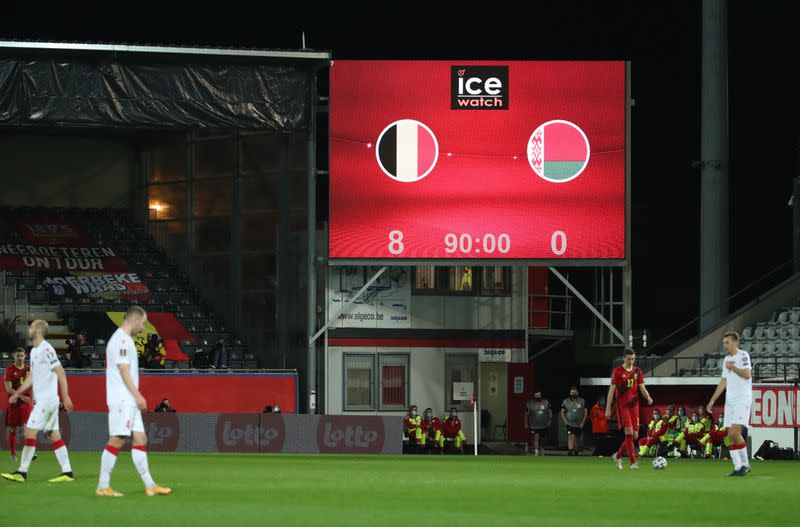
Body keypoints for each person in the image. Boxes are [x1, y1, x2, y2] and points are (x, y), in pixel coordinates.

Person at [96, 306, 171, 497]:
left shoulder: (125, 339)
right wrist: (137, 395)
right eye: (143, 323)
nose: (144, 328)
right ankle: (102, 486)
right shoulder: (121, 339)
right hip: (122, 398)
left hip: (128, 399)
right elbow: (123, 369)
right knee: (118, 439)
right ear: (135, 320)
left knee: (140, 439)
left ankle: (150, 485)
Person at [1, 321, 75, 483]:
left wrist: (66, 396)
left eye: (31, 327)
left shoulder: (46, 349)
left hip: (46, 402)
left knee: (29, 432)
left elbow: (61, 372)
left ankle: (22, 472)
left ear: (39, 330)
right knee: (52, 434)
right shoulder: (34, 351)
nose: (29, 329)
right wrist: (17, 393)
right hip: (46, 401)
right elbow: (32, 377)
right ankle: (67, 472)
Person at [707, 331, 752, 476]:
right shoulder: (726, 359)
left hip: (742, 399)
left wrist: (733, 367)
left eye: (727, 342)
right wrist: (712, 400)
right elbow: (723, 381)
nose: (725, 345)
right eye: (724, 343)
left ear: (735, 342)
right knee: (729, 435)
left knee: (735, 432)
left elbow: (747, 374)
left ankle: (745, 464)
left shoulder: (743, 356)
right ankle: (737, 467)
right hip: (730, 400)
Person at [606, 348, 653, 470]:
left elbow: (642, 387)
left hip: (635, 406)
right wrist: (608, 409)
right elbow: (611, 392)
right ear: (623, 358)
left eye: (633, 359)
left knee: (634, 436)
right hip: (623, 407)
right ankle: (633, 462)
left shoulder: (638, 371)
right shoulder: (617, 371)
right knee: (629, 433)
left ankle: (618, 455)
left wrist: (648, 397)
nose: (631, 361)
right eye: (629, 359)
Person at [4, 347, 32, 461]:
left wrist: (33, 399)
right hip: (15, 401)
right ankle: (13, 453)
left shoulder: (29, 369)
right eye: (18, 356)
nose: (20, 358)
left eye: (22, 356)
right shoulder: (9, 369)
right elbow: (9, 389)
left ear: (25, 356)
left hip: (26, 401)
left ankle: (30, 452)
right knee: (13, 428)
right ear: (13, 356)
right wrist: (20, 396)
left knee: (27, 426)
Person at [561, 386, 587, 456]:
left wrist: (583, 422)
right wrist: (565, 421)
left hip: (579, 424)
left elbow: (585, 412)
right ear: (570, 393)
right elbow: (562, 412)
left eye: (575, 392)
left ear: (577, 393)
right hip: (570, 423)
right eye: (572, 393)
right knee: (570, 435)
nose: (574, 394)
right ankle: (570, 451)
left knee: (576, 438)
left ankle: (576, 451)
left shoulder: (582, 400)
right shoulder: (565, 401)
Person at [525, 391, 552, 456]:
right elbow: (526, 414)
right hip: (534, 425)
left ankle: (542, 449)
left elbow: (550, 412)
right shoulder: (529, 403)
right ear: (534, 396)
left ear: (541, 395)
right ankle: (536, 452)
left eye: (539, 395)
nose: (537, 397)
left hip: (544, 425)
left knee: (542, 439)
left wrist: (549, 421)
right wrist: (526, 423)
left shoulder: (546, 402)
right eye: (536, 395)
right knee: (536, 437)